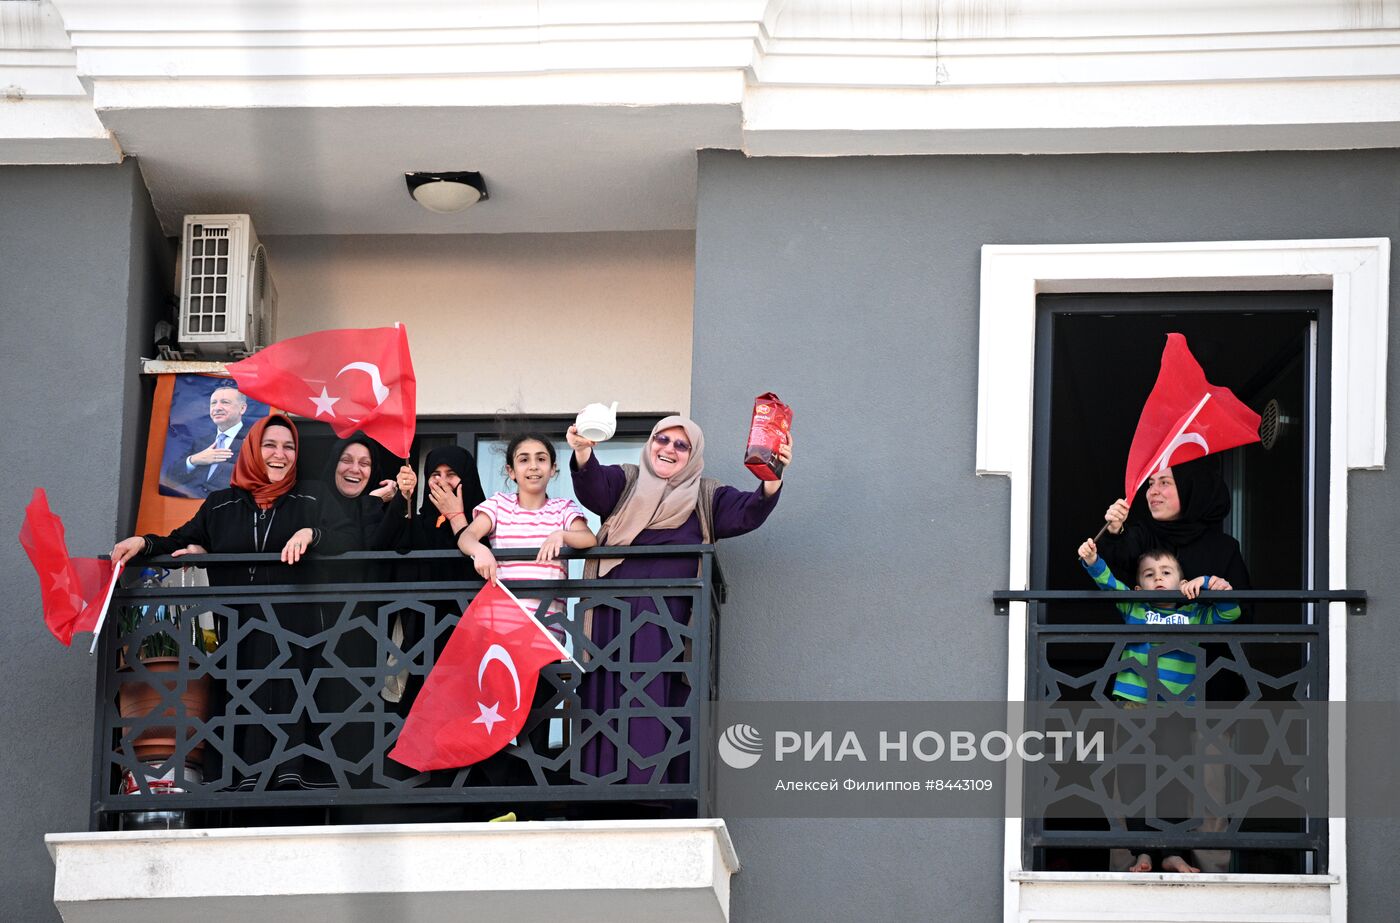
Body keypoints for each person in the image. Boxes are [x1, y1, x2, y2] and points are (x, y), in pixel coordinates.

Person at [112, 413, 352, 790]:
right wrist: (143, 543)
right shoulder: (221, 505)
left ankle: (293, 785)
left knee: (295, 709)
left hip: (298, 632)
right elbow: (177, 540)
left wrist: (312, 532)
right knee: (244, 714)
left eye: (289, 447)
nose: (280, 454)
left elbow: (348, 539)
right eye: (270, 445)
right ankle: (243, 786)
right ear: (253, 450)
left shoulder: (313, 496)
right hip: (240, 633)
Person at [567, 415, 791, 785]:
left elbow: (749, 511)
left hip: (666, 625)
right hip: (612, 620)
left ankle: (655, 794)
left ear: (693, 455)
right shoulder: (624, 482)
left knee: (659, 699)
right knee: (607, 695)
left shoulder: (706, 496)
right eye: (662, 439)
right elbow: (593, 488)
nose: (668, 449)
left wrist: (773, 477)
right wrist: (582, 452)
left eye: (680, 445)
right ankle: (600, 791)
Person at [1077, 536, 1241, 875]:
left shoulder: (1195, 613)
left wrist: (1209, 583)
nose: (1158, 578)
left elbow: (1232, 610)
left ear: (1182, 583)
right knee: (1135, 778)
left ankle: (1173, 851)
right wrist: (1092, 559)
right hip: (1134, 707)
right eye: (1149, 574)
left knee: (1175, 778)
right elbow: (1107, 582)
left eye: (1166, 572)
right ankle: (1143, 853)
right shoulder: (1135, 608)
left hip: (1177, 711)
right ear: (1138, 588)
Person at [164, 384, 250, 497]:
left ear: (242, 408)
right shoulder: (202, 442)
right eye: (213, 403)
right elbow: (169, 478)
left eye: (225, 402)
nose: (217, 408)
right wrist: (194, 460)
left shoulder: (254, 441)